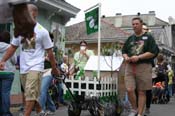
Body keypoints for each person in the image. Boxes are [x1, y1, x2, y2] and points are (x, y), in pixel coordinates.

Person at [0, 4, 60, 116]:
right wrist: (2, 60)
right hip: (23, 68)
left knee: (30, 94)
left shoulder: (42, 31)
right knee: (30, 94)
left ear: (34, 14)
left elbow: (50, 52)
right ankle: (39, 110)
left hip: (36, 67)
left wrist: (54, 68)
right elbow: (13, 47)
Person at [122, 17, 159, 116]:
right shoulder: (130, 38)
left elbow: (153, 52)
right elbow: (124, 51)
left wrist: (138, 57)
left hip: (144, 66)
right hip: (130, 66)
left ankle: (140, 114)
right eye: (133, 24)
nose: (134, 26)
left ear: (141, 24)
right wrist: (126, 57)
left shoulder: (149, 37)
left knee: (141, 91)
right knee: (129, 89)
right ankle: (134, 109)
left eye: (136, 24)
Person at [0, 31, 17, 116]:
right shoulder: (10, 47)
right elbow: (14, 61)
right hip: (8, 72)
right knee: (5, 93)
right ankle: (6, 113)